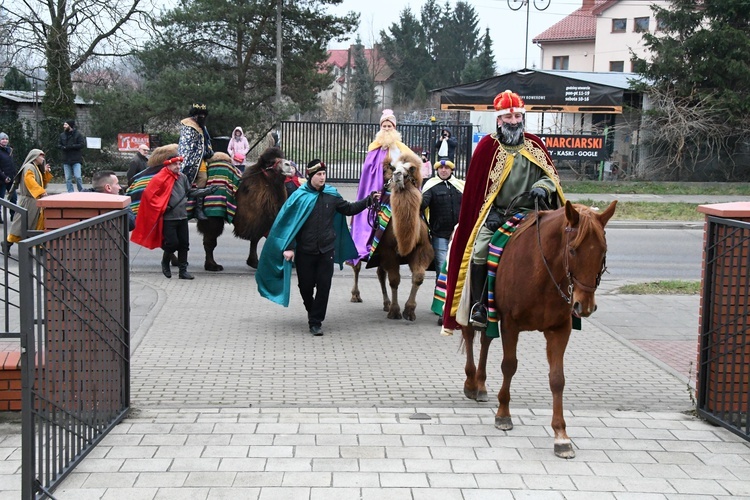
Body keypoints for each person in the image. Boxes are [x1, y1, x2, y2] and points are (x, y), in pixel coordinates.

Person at [436, 90, 565, 332]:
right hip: (498, 214)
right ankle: (479, 306)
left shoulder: (535, 145)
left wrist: (541, 187)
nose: (514, 122)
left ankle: (561, 298)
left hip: (532, 212)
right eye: (509, 117)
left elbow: (551, 177)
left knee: (562, 244)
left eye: (518, 117)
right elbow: (478, 190)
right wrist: (491, 211)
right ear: (499, 120)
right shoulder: (487, 147)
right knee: (480, 248)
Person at [256, 159, 380, 336]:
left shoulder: (332, 195)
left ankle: (315, 321)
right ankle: (312, 311)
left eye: (324, 174)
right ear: (310, 176)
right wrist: (289, 247)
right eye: (319, 175)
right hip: (305, 251)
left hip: (326, 250)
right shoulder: (299, 197)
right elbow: (289, 224)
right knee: (305, 287)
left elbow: (349, 209)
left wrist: (368, 200)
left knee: (324, 286)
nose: (322, 178)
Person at [130, 155, 216, 280]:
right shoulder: (159, 178)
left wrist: (207, 191)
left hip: (182, 216)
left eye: (179, 164)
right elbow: (149, 196)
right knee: (172, 243)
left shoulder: (182, 177)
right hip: (168, 219)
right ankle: (165, 262)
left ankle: (183, 271)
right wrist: (163, 207)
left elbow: (190, 192)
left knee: (184, 244)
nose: (178, 166)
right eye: (175, 164)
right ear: (168, 164)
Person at [348, 109, 414, 265]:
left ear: (394, 128)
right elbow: (367, 171)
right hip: (375, 189)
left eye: (389, 126)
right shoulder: (373, 148)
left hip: (395, 187)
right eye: (384, 126)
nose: (386, 129)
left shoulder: (401, 148)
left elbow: (409, 165)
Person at [421, 159, 464, 283]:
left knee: (459, 267)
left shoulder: (460, 186)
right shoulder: (431, 186)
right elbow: (422, 204)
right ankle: (440, 299)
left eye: (446, 168)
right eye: (441, 168)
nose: (443, 170)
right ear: (437, 170)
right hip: (439, 234)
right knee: (442, 269)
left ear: (451, 170)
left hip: (458, 234)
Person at [3, 149, 52, 254]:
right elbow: (30, 181)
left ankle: (40, 247)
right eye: (41, 156)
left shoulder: (35, 168)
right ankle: (7, 243)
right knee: (21, 225)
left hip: (35, 201)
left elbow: (42, 183)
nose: (43, 158)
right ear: (35, 157)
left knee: (37, 225)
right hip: (29, 201)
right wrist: (41, 192)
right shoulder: (29, 167)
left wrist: (45, 172)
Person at [177, 103, 214, 220]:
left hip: (201, 160)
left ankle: (199, 209)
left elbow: (206, 142)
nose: (202, 117)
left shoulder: (203, 127)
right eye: (200, 115)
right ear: (194, 115)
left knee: (203, 178)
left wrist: (208, 151)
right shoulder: (188, 126)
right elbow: (186, 146)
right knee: (182, 181)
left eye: (204, 115)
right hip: (189, 160)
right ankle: (179, 205)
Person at [59, 119, 86, 192]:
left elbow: (82, 144)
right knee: (68, 178)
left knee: (78, 177)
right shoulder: (62, 135)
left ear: (70, 126)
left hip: (76, 159)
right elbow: (58, 144)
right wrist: (62, 147)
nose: (64, 126)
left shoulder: (78, 134)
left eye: (65, 124)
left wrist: (72, 146)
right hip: (66, 159)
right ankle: (70, 192)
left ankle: (81, 190)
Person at [0, 132, 16, 222]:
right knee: (1, 199)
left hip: (11, 179)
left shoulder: (9, 150)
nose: (5, 140)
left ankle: (13, 216)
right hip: (1, 180)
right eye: (2, 139)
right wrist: (4, 177)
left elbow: (12, 164)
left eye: (6, 139)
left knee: (14, 198)